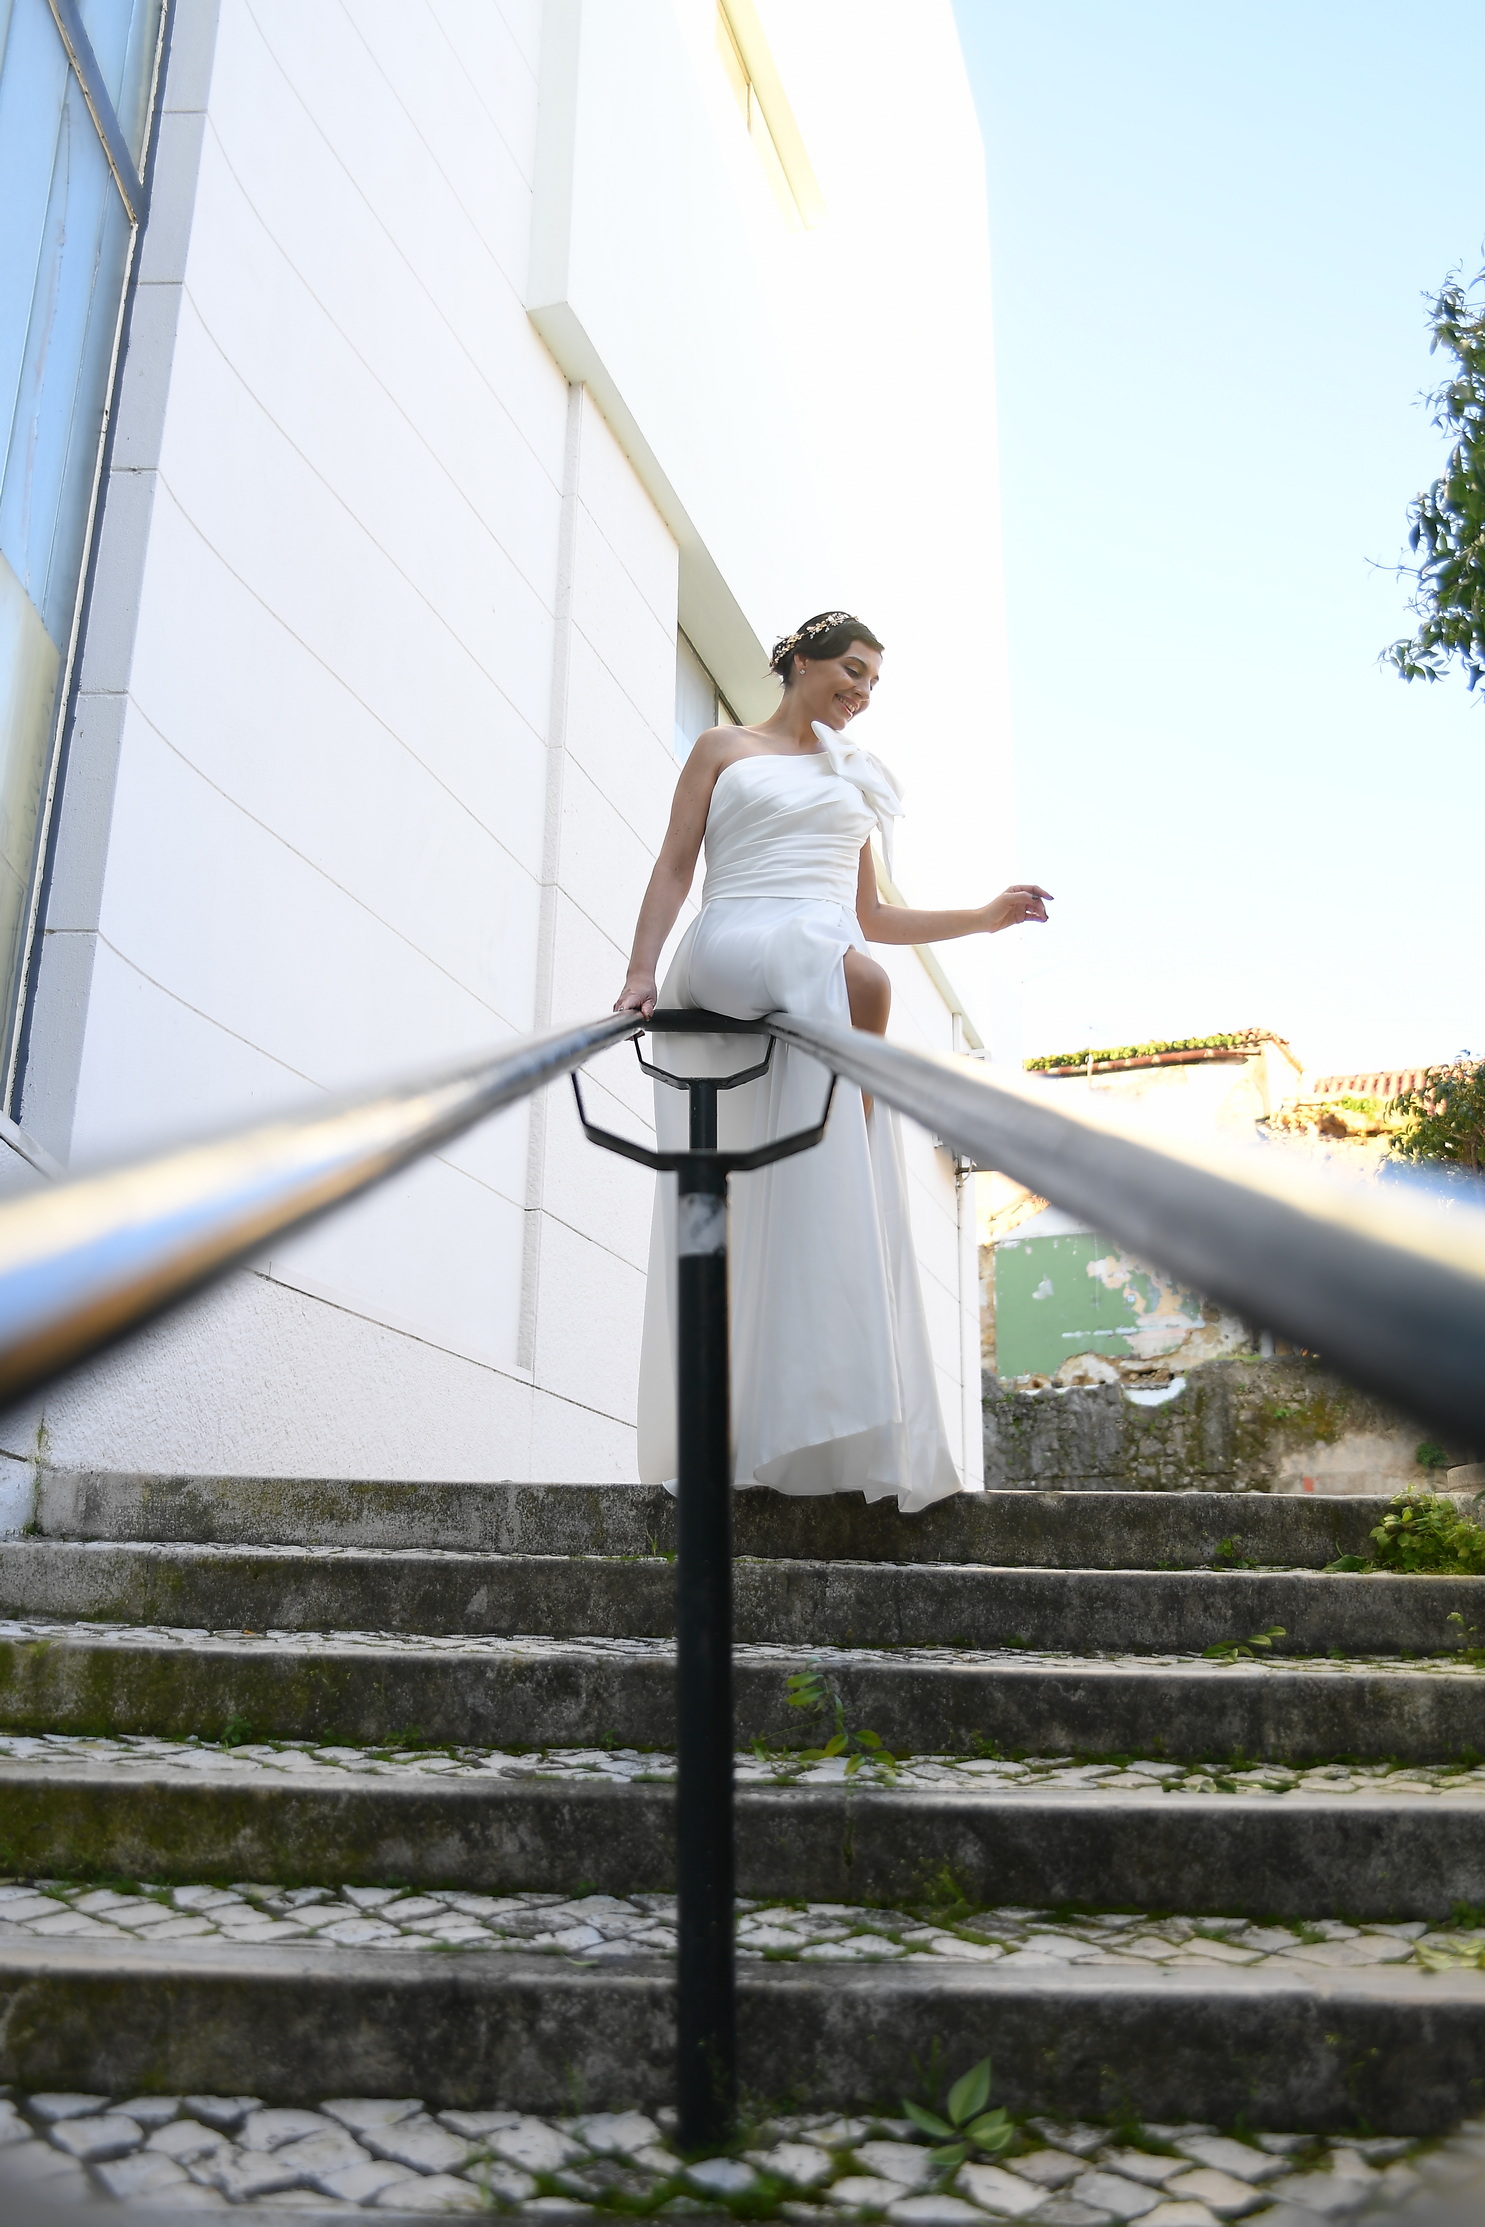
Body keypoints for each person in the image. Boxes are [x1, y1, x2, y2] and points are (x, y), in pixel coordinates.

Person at [616, 611, 1051, 1512]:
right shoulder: (722, 748)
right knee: (856, 976)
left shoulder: (853, 776)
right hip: (733, 935)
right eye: (852, 670)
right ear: (801, 661)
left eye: (874, 682)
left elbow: (871, 916)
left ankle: (828, 1177)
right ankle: (847, 1129)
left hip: (815, 946)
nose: (862, 691)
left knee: (858, 969)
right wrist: (639, 973)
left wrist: (981, 917)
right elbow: (674, 865)